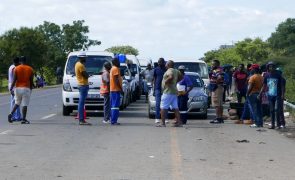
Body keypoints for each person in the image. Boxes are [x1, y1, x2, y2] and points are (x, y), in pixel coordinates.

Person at [258, 62, 284, 129]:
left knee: (277, 109)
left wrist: (283, 94)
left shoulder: (278, 75)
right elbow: (264, 85)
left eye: (272, 67)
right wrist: (260, 93)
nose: (271, 68)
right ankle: (273, 125)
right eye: (270, 67)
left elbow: (282, 86)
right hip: (270, 95)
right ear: (268, 68)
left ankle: (278, 124)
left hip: (278, 94)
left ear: (274, 67)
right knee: (271, 110)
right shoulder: (266, 75)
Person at [8, 56, 33, 124]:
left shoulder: (16, 68)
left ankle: (10, 114)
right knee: (24, 104)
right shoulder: (30, 69)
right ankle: (24, 119)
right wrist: (31, 88)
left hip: (17, 88)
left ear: (20, 62)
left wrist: (11, 88)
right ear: (25, 61)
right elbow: (31, 81)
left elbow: (14, 79)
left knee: (16, 103)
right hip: (26, 88)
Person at [157, 60, 182, 127]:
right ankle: (179, 122)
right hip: (174, 92)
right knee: (175, 108)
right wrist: (175, 82)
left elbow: (170, 77)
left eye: (166, 64)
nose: (165, 65)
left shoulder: (169, 70)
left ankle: (163, 123)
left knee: (163, 107)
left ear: (168, 65)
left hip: (167, 92)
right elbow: (181, 77)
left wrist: (166, 82)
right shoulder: (176, 71)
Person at [75, 52, 91, 125]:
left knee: (81, 103)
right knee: (81, 103)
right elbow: (85, 75)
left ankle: (81, 119)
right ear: (82, 58)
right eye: (84, 57)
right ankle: (81, 120)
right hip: (83, 85)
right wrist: (88, 74)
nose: (85, 59)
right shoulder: (81, 65)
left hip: (81, 84)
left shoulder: (77, 64)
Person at [209, 59, 225, 124]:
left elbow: (219, 77)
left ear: (217, 65)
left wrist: (215, 84)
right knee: (220, 104)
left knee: (216, 104)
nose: (212, 65)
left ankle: (218, 118)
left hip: (217, 88)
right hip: (219, 88)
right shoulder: (219, 70)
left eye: (213, 64)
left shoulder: (217, 70)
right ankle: (220, 118)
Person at [8, 57, 22, 122]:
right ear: (17, 62)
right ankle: (16, 116)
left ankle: (14, 116)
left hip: (11, 84)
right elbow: (15, 79)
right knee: (17, 102)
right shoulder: (15, 68)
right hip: (14, 86)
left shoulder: (11, 67)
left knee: (13, 102)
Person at [110, 57, 123, 125]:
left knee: (113, 106)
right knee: (115, 106)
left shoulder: (113, 68)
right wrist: (120, 88)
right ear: (115, 62)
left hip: (113, 89)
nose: (119, 62)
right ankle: (114, 120)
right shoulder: (115, 68)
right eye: (118, 61)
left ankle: (112, 119)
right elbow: (116, 80)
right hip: (116, 89)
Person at [153, 58, 166, 124]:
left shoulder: (166, 69)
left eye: (161, 62)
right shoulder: (156, 69)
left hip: (165, 89)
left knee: (165, 104)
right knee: (158, 104)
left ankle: (165, 118)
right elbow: (154, 79)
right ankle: (157, 118)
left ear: (163, 62)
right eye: (158, 62)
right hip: (157, 88)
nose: (159, 63)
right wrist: (154, 89)